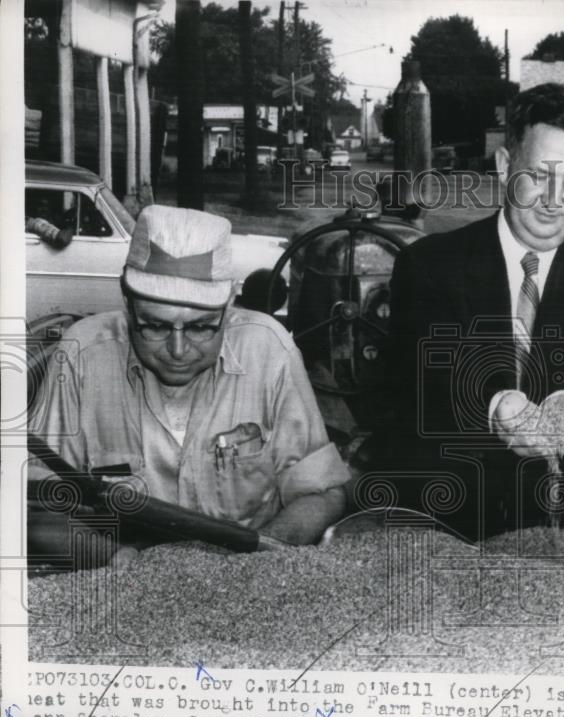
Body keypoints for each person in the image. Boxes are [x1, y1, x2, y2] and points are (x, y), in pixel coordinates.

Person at [370, 82, 564, 537]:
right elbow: (411, 388)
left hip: (560, 528)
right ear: (504, 166)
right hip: (442, 519)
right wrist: (495, 408)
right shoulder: (429, 265)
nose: (554, 199)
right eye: (540, 176)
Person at [29, 205, 349, 562]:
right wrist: (119, 562)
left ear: (229, 307)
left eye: (200, 327)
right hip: (119, 567)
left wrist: (258, 562)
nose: (178, 350)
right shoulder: (82, 355)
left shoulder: (268, 350)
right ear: (127, 303)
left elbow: (323, 493)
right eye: (155, 326)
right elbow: (34, 511)